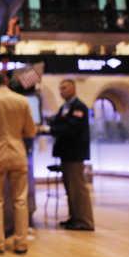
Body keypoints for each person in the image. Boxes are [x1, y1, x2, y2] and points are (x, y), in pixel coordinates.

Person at [0, 71, 37, 255]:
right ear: (6, 81)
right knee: (20, 199)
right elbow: (31, 131)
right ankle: (21, 243)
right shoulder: (22, 101)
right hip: (18, 153)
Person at [49, 79, 94, 231]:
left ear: (73, 89)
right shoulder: (65, 107)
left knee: (78, 188)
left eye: (65, 88)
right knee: (70, 188)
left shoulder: (79, 107)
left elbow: (70, 128)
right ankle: (74, 218)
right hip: (66, 154)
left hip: (75, 154)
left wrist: (52, 129)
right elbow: (57, 123)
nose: (62, 91)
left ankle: (85, 221)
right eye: (60, 88)